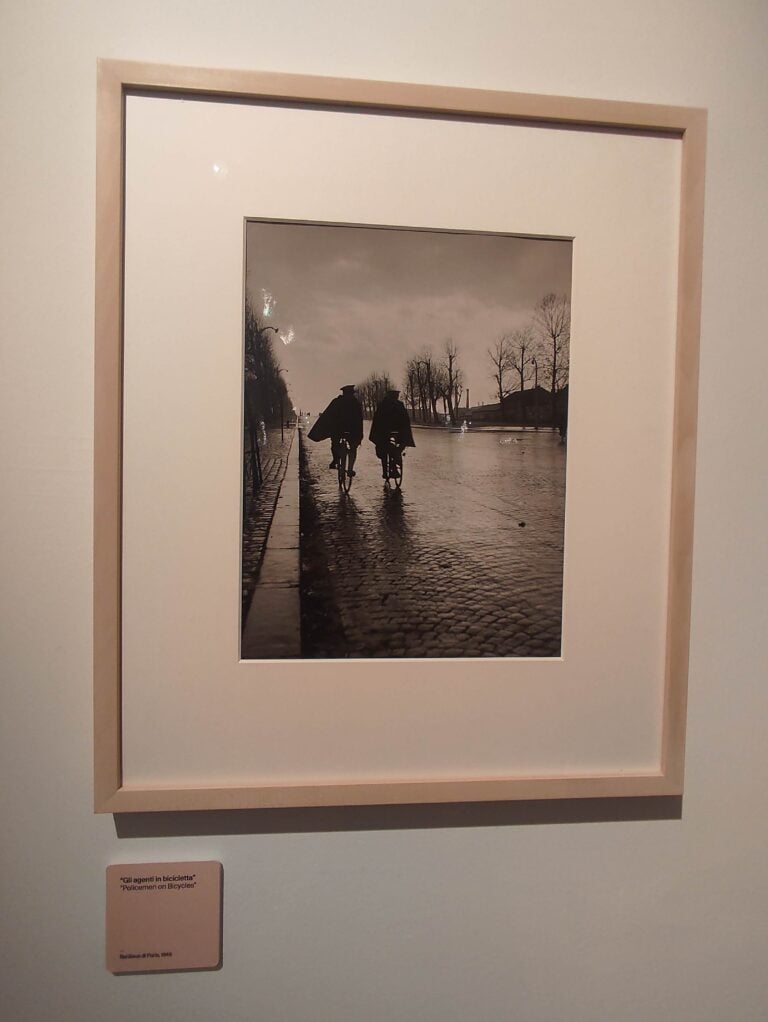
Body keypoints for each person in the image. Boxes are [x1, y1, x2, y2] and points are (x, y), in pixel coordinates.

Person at [308, 384, 364, 477]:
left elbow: (328, 416)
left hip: (338, 431)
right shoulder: (356, 403)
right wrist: (359, 434)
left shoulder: (336, 402)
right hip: (352, 431)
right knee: (353, 448)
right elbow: (359, 419)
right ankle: (350, 469)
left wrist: (326, 429)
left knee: (335, 444)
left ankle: (336, 460)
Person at [369, 389, 415, 479]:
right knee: (401, 444)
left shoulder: (382, 405)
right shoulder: (399, 405)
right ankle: (395, 459)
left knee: (383, 449)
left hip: (384, 432)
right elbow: (405, 419)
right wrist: (405, 432)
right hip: (397, 431)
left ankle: (385, 471)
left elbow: (377, 420)